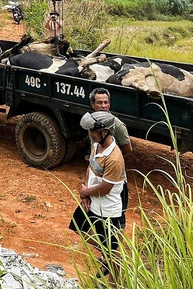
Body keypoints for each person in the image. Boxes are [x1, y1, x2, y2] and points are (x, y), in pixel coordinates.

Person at [69, 111, 126, 275]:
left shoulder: (114, 158)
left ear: (105, 131)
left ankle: (112, 274)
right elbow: (90, 168)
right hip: (93, 201)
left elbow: (106, 187)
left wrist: (86, 192)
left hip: (107, 211)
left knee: (112, 250)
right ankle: (106, 257)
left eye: (92, 131)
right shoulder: (96, 145)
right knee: (78, 226)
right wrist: (86, 192)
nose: (90, 134)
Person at [90, 88, 132, 228]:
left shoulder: (117, 125)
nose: (103, 106)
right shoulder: (92, 124)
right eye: (99, 102)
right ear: (92, 105)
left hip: (116, 178)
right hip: (98, 177)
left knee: (118, 216)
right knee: (97, 211)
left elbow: (128, 148)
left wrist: (112, 161)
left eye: (106, 102)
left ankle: (116, 246)